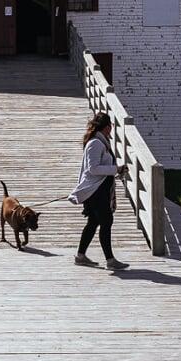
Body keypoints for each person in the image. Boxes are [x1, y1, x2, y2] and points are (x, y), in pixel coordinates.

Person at [69, 111, 128, 269]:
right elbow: (93, 169)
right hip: (96, 191)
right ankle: (110, 260)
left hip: (99, 190)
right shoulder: (96, 143)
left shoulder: (100, 142)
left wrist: (116, 170)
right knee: (106, 221)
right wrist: (115, 169)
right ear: (106, 127)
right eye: (111, 126)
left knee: (93, 222)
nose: (111, 129)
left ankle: (81, 256)